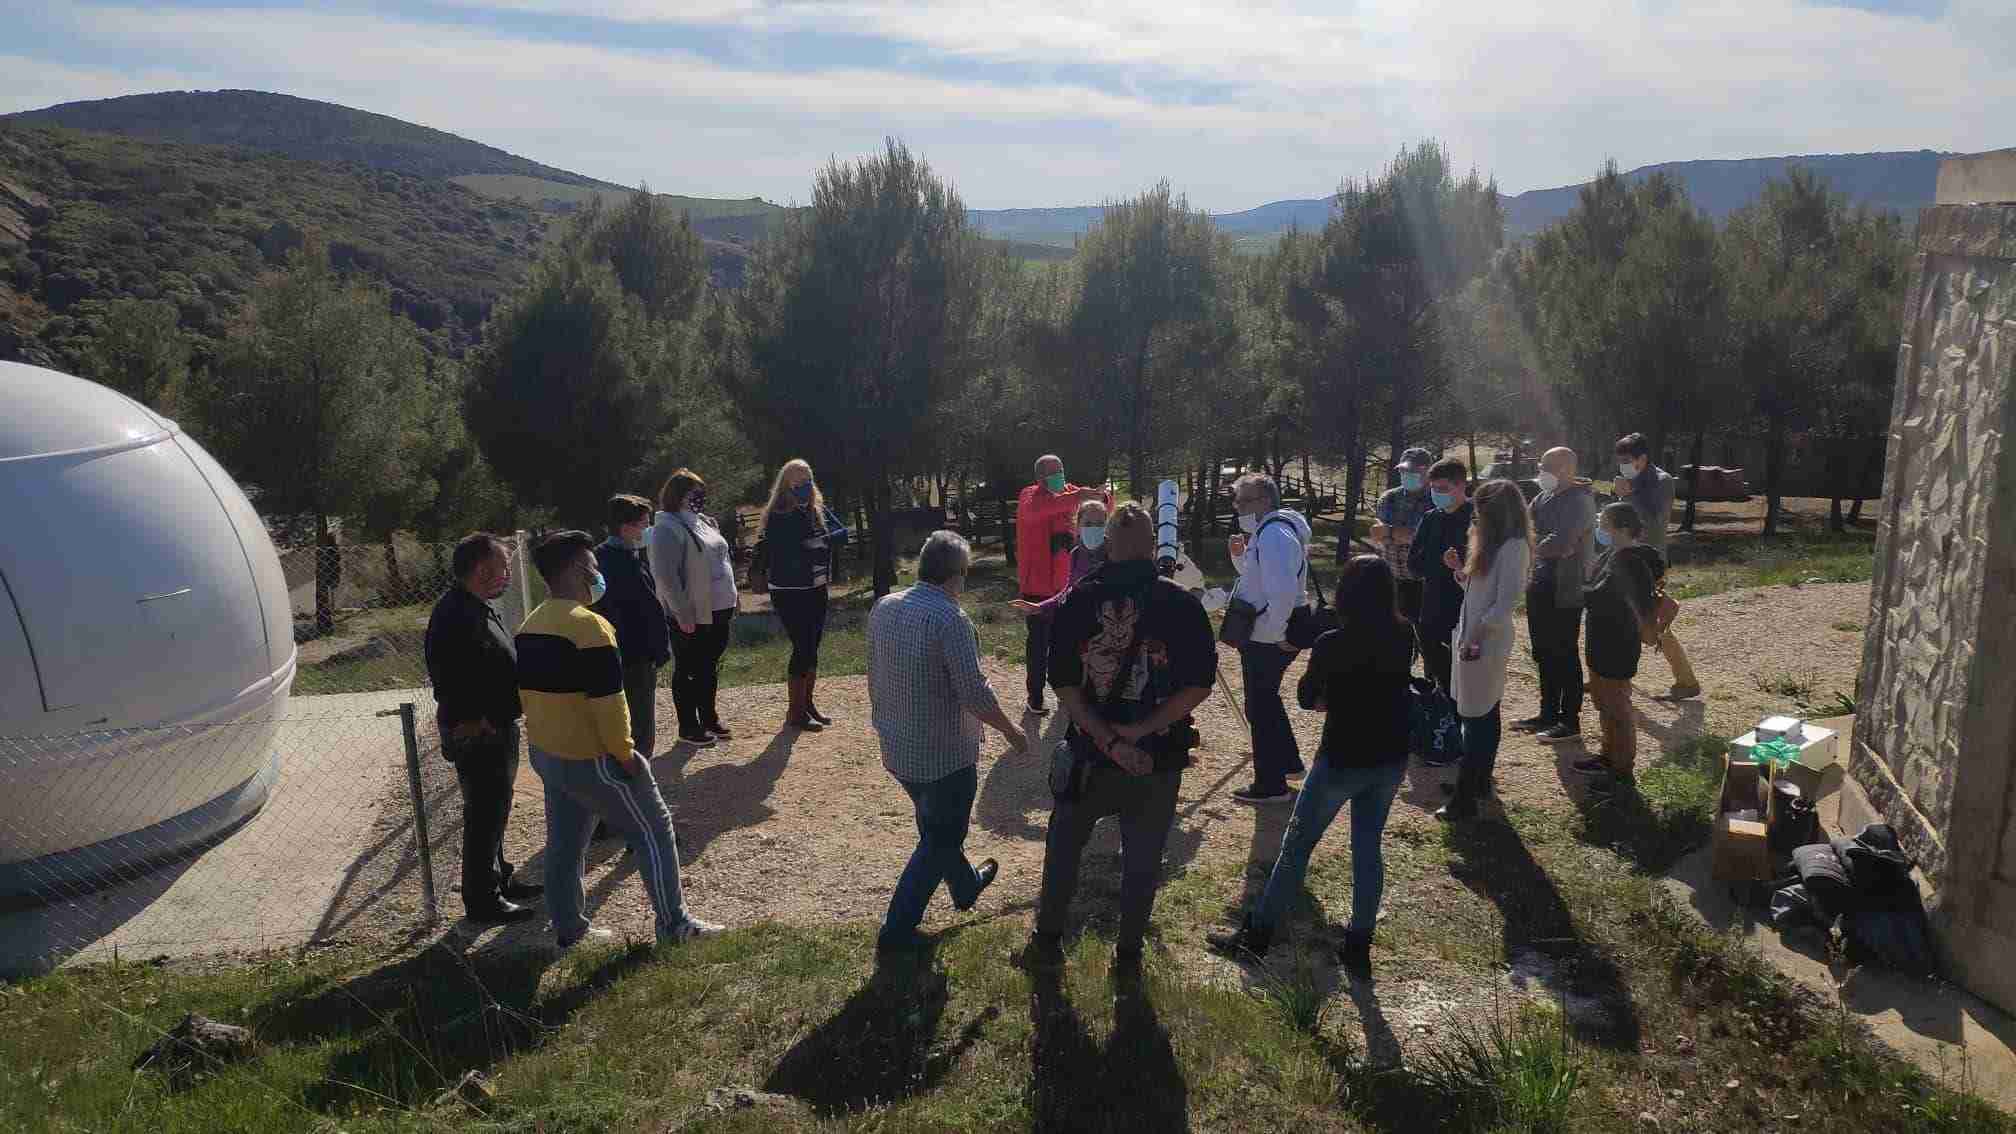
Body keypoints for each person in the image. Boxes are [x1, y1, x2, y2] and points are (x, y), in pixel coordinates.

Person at [1017, 503, 1216, 970]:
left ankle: (1047, 941)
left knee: (1064, 850)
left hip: (1089, 753)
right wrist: (1140, 732)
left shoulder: (1079, 600)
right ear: (1153, 547)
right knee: (1143, 860)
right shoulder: (1182, 604)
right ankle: (1128, 954)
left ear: (1106, 544)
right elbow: (1199, 685)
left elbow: (1063, 683)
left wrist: (1107, 740)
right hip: (1158, 758)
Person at [1207, 555, 1415, 976]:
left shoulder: (1332, 643)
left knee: (1296, 848)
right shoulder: (1404, 632)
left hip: (1342, 758)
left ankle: (1257, 937)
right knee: (1368, 850)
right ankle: (1359, 945)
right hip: (1390, 758)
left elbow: (1308, 698)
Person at [517, 529, 723, 948]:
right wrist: (626, 755)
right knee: (654, 829)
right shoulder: (591, 628)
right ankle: (674, 925)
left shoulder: (529, 624)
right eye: (592, 565)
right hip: (593, 756)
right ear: (577, 570)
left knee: (565, 843)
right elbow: (609, 702)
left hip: (548, 753)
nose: (597, 572)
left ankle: (569, 929)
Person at [868, 531, 1030, 952]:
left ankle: (966, 887)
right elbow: (974, 693)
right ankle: (896, 932)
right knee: (941, 837)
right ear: (957, 575)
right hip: (944, 756)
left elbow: (874, 671)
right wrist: (1012, 732)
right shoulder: (950, 619)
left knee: (935, 826)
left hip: (896, 745)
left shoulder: (884, 607)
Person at [423, 532, 541, 923]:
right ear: (481, 570)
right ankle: (483, 899)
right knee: (484, 813)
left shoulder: (477, 606)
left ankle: (499, 877)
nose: (507, 574)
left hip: (498, 724)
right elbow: (449, 678)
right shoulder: (454, 614)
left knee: (498, 807)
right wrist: (477, 721)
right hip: (479, 731)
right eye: (503, 568)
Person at [1437, 480, 1534, 822]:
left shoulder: (1514, 547)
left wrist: (1475, 636)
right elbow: (1479, 592)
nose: (1475, 515)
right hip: (1473, 636)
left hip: (1485, 640)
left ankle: (1465, 797)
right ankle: (1477, 782)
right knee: (1482, 712)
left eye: (1480, 509)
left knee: (1477, 717)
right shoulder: (1489, 543)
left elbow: (1504, 603)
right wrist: (1458, 572)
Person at [1226, 472, 1313, 805]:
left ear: (1264, 501)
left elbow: (1282, 593)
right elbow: (1258, 580)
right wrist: (1240, 558)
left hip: (1269, 635)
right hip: (1267, 631)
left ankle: (1270, 783)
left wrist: (1280, 638)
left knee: (1259, 705)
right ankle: (1287, 763)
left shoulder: (1274, 534)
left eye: (1242, 501)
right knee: (1265, 700)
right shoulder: (1269, 533)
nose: (1237, 507)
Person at [1574, 502, 1666, 799]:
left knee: (1618, 707)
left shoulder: (1632, 561)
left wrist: (1586, 588)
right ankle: (1608, 755)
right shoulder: (1613, 555)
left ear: (1623, 529)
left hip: (1617, 643)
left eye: (1604, 524)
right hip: (1600, 640)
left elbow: (1626, 603)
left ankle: (1622, 770)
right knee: (1604, 703)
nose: (1600, 530)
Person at [757, 459, 849, 731]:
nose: (804, 486)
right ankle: (795, 713)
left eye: (808, 479)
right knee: (802, 646)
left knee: (813, 646)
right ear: (785, 484)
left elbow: (839, 534)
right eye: (798, 482)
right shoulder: (778, 514)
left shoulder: (816, 508)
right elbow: (790, 549)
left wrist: (816, 541)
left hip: (817, 585)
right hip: (790, 590)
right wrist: (818, 541)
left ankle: (807, 704)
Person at [650, 469, 739, 746]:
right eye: (693, 493)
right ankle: (688, 726)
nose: (700, 498)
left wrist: (733, 598)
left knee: (709, 667)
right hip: (692, 612)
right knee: (688, 668)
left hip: (719, 608)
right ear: (677, 495)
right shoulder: (666, 528)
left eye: (701, 492)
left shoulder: (703, 522)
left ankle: (709, 718)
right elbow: (666, 577)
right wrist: (681, 613)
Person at [1015, 454, 1107, 716]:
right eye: (1052, 473)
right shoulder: (1029, 497)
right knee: (1038, 646)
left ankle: (1069, 695)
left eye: (1061, 470)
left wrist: (1101, 498)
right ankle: (1035, 697)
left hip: (1069, 584)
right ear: (1039, 478)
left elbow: (1099, 509)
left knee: (1071, 643)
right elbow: (1040, 510)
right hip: (1037, 587)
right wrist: (1080, 497)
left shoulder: (1071, 492)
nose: (1059, 476)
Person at [1517, 446, 1596, 744]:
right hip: (1539, 583)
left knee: (1563, 652)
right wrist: (1535, 542)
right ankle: (1547, 713)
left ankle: (1569, 720)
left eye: (1546, 465)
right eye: (1541, 464)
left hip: (1566, 588)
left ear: (1565, 469)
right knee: (1543, 652)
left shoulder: (1580, 500)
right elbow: (1524, 529)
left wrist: (1532, 544)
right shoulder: (1543, 496)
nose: (1541, 470)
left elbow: (1562, 544)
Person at [1614, 432, 1701, 702]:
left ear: (1643, 458)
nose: (1623, 466)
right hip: (1624, 560)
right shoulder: (1631, 480)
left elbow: (1653, 525)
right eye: (1620, 461)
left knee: (1656, 623)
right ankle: (1611, 677)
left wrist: (1628, 495)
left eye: (1628, 460)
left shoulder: (1661, 482)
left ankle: (1686, 680)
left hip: (1649, 565)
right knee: (1617, 618)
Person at [594, 495, 672, 758]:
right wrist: (659, 647)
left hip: (624, 653)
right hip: (633, 655)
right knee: (639, 725)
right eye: (643, 524)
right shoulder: (617, 561)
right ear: (626, 527)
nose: (647, 530)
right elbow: (642, 610)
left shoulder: (611, 556)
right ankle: (638, 780)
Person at [1408, 457, 1474, 697]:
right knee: (1439, 675)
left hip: (1465, 609)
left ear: (1461, 485)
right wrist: (1440, 563)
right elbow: (1413, 564)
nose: (1437, 494)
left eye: (1443, 489)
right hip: (1432, 608)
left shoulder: (1478, 518)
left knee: (1466, 679)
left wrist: (1459, 565)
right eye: (1433, 489)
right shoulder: (1430, 518)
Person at [1371, 447, 1436, 661]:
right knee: (1396, 642)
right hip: (1393, 581)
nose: (1407, 476)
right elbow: (1378, 534)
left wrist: (1391, 532)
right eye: (1403, 471)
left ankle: (1433, 686)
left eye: (1413, 472)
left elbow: (1423, 540)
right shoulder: (1388, 498)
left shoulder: (1436, 500)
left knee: (1430, 643)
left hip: (1427, 583)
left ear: (1428, 472)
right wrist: (1398, 534)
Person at [1009, 497, 1108, 624]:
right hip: (1083, 624)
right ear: (1078, 526)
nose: (1094, 529)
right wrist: (1040, 607)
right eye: (1088, 524)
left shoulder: (1115, 552)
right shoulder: (1076, 554)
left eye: (1100, 524)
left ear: (1107, 525)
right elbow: (1068, 591)